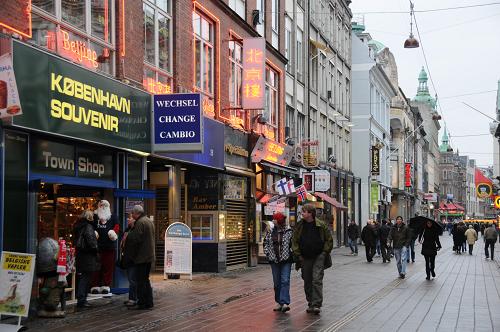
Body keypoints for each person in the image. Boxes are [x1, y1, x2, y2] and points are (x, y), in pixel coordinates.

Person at [292, 204, 333, 315]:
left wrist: (324, 253)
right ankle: (310, 302)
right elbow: (294, 241)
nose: (302, 214)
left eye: (303, 212)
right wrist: (298, 255)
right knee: (307, 279)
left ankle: (316, 304)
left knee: (316, 279)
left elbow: (329, 240)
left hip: (318, 256)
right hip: (304, 257)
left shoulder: (321, 225)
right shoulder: (299, 225)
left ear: (310, 213)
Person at [126, 205, 155, 310]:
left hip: (142, 256)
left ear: (137, 213)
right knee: (145, 280)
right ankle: (149, 301)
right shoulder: (148, 220)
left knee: (141, 281)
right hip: (149, 256)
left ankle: (142, 302)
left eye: (132, 214)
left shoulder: (140, 222)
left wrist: (131, 228)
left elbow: (135, 239)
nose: (132, 216)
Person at [263, 212, 293, 313]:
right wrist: (268, 254)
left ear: (278, 221)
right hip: (274, 260)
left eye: (275, 219)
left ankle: (284, 303)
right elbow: (266, 243)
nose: (273, 220)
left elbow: (292, 244)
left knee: (285, 280)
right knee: (276, 283)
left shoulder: (289, 231)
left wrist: (291, 254)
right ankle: (279, 302)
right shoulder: (270, 231)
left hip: (286, 260)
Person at [91, 200, 119, 295]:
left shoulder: (113, 216)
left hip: (109, 247)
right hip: (97, 247)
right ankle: (95, 285)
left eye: (104, 206)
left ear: (108, 207)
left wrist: (113, 233)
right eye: (101, 205)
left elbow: (117, 226)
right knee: (96, 267)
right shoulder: (95, 217)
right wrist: (93, 233)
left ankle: (106, 285)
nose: (103, 207)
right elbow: (92, 227)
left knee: (108, 267)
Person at [73, 210, 99, 308]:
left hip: (81, 255)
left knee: (83, 277)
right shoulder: (88, 226)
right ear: (89, 217)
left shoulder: (78, 226)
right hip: (88, 256)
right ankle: (82, 300)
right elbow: (91, 242)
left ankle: (82, 299)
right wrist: (96, 250)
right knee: (86, 278)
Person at [121, 213, 137, 307]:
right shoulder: (128, 230)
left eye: (130, 218)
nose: (128, 220)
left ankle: (133, 298)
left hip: (133, 259)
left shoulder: (135, 230)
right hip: (127, 258)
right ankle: (131, 298)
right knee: (131, 279)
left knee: (132, 279)